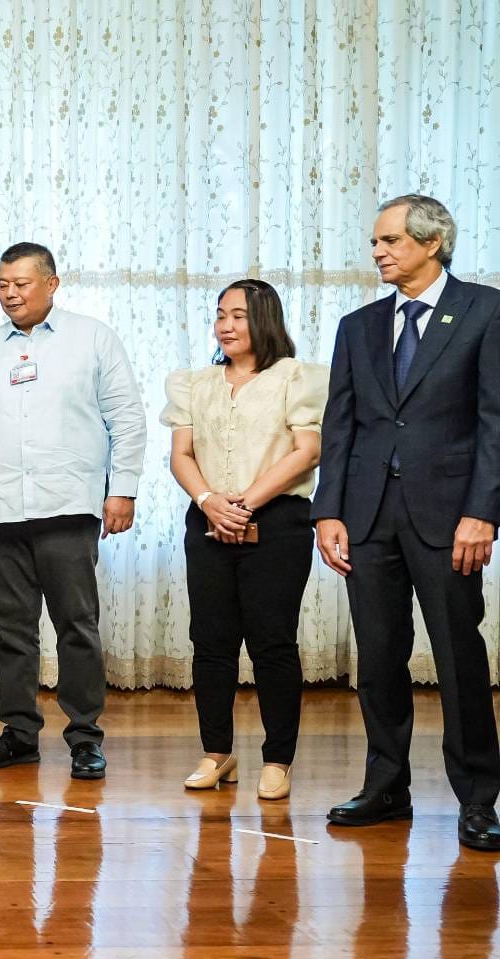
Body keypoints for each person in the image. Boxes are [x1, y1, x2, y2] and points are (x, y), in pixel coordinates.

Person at [314, 194, 500, 851]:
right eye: (375, 242)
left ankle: (478, 799)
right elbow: (339, 426)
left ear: (431, 243)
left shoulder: (485, 311)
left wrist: (483, 511)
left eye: (390, 240)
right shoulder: (358, 325)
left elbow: (495, 422)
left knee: (458, 657)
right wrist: (328, 511)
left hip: (450, 517)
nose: (378, 252)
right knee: (378, 657)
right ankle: (386, 786)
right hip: (367, 516)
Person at [0, 242, 146, 780]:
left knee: (76, 626)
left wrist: (122, 489)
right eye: (2, 285)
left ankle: (85, 737)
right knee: (12, 631)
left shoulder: (93, 339)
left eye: (21, 283)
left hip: (68, 507)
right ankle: (18, 734)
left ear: (52, 283)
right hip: (1, 511)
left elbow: (127, 418)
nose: (10, 294)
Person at [162, 279, 326, 800]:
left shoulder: (295, 377)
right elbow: (181, 454)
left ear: (265, 320)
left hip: (277, 523)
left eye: (238, 315)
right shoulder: (195, 383)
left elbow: (307, 451)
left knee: (272, 643)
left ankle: (278, 760)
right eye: (220, 315)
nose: (226, 326)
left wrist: (246, 503)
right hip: (208, 521)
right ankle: (217, 753)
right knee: (210, 643)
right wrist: (209, 500)